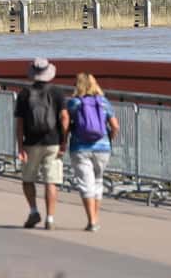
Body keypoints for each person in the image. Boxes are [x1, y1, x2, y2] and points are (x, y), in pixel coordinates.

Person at [15, 57, 70, 230]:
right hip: (52, 142)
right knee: (51, 181)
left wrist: (20, 146)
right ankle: (51, 219)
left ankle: (33, 211)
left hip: (31, 143)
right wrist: (64, 141)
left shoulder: (24, 94)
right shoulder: (57, 92)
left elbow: (20, 123)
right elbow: (64, 118)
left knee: (27, 179)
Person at [67, 73, 119, 232]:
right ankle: (95, 218)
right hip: (102, 148)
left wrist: (64, 139)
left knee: (85, 184)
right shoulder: (104, 102)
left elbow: (65, 122)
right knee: (97, 182)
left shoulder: (74, 103)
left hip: (80, 148)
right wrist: (109, 138)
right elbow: (115, 126)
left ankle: (92, 220)